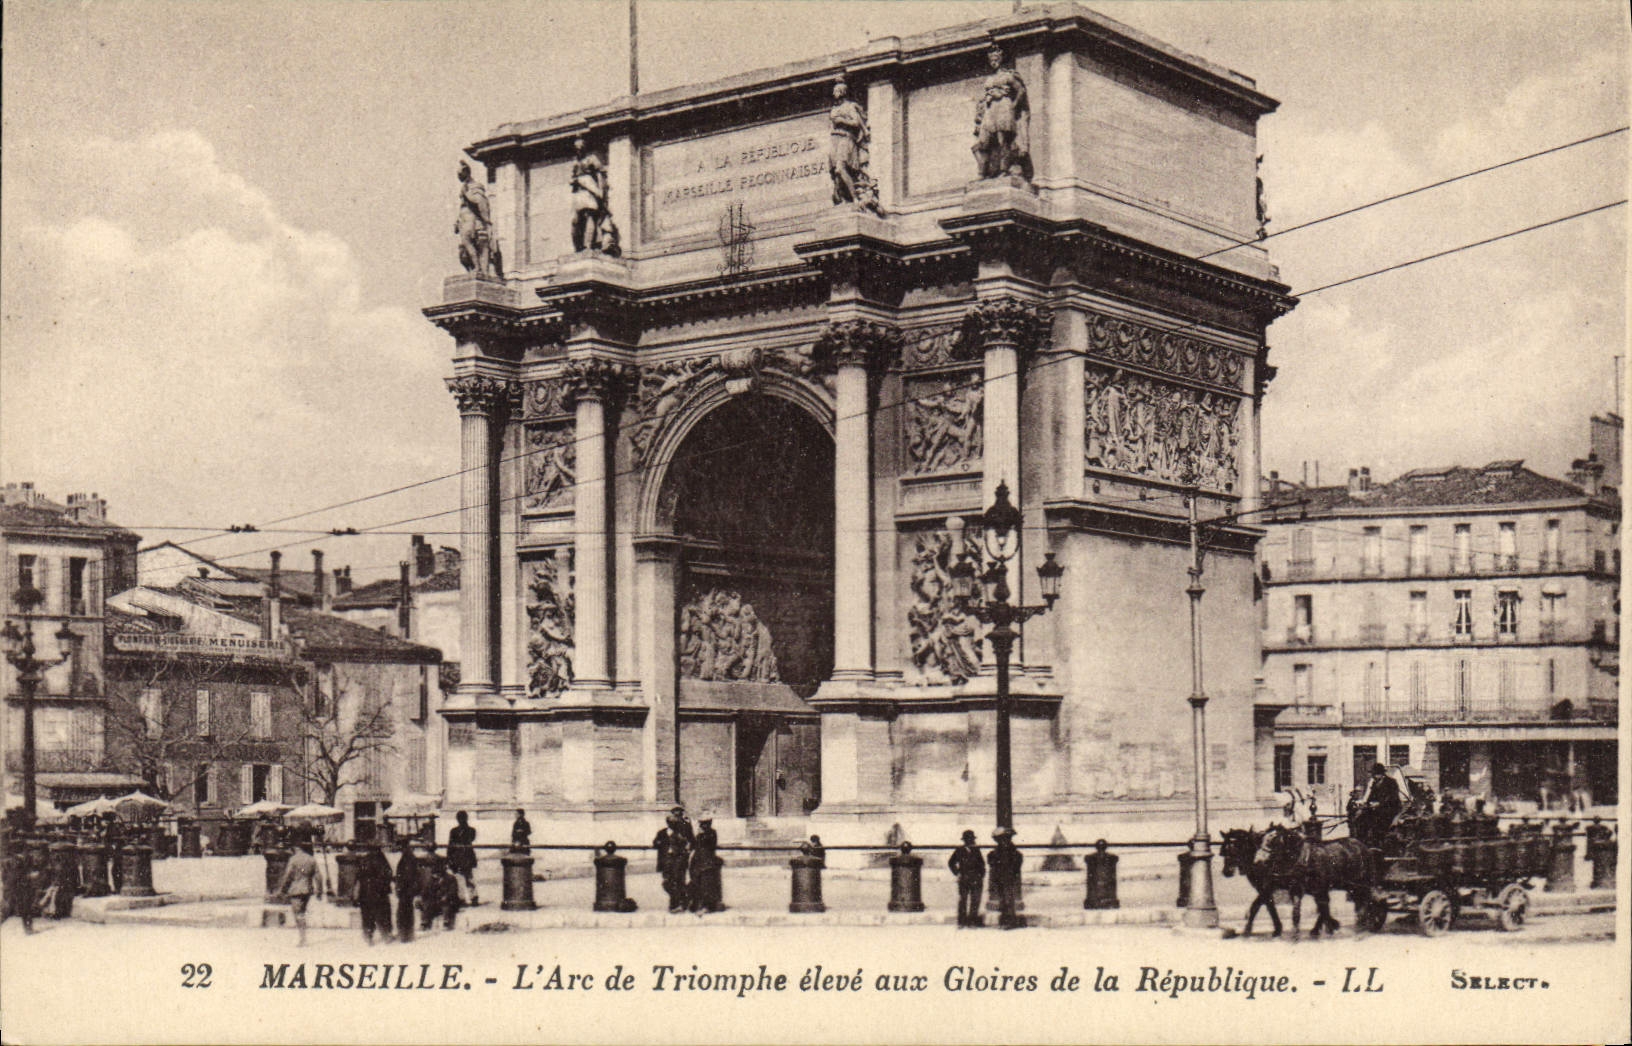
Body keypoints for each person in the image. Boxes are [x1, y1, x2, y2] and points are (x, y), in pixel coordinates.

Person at [971, 44, 1030, 180]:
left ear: (1001, 59)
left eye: (996, 59)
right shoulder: (989, 79)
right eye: (991, 60)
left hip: (1004, 106)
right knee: (984, 141)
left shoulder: (1009, 76)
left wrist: (1014, 105)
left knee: (1002, 138)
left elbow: (1021, 90)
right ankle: (984, 169)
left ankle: (1003, 169)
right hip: (991, 108)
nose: (993, 62)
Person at [277, 840, 328, 948]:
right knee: (302, 913)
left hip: (296, 890)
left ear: (295, 848)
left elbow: (288, 876)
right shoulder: (311, 859)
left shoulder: (293, 860)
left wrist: (282, 890)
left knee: (298, 914)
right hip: (307, 890)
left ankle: (303, 939)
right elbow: (318, 877)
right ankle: (303, 937)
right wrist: (319, 891)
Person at [570, 137, 609, 253]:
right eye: (577, 148)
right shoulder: (575, 162)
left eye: (581, 147)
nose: (579, 150)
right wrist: (573, 181)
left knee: (590, 215)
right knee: (576, 219)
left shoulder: (592, 159)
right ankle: (579, 246)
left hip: (590, 189)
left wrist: (601, 191)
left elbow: (600, 174)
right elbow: (572, 177)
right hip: (579, 191)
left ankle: (588, 244)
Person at [456, 161, 494, 275]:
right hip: (464, 220)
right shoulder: (465, 186)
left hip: (472, 220)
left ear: (466, 172)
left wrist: (466, 195)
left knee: (468, 241)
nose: (459, 177)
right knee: (465, 244)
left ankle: (478, 267)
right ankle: (477, 267)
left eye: (460, 174)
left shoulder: (475, 186)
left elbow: (479, 202)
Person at [654, 807, 692, 914]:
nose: (672, 824)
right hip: (667, 862)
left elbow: (689, 842)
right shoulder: (662, 833)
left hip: (678, 861)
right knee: (668, 883)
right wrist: (660, 844)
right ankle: (681, 901)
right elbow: (655, 843)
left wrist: (686, 851)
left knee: (678, 882)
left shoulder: (680, 833)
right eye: (670, 822)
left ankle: (676, 904)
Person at [1355, 763, 1402, 850]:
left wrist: (1379, 803)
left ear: (1381, 774)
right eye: (1373, 775)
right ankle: (1362, 842)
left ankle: (1378, 844)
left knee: (1378, 822)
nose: (1374, 777)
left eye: (1375, 774)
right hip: (1377, 808)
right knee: (1360, 818)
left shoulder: (1391, 782)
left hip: (1390, 808)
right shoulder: (1375, 783)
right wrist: (1366, 805)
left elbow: (1393, 798)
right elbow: (1371, 797)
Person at [356, 842, 394, 945]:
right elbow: (388, 873)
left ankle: (368, 936)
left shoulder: (364, 859)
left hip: (365, 892)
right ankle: (386, 935)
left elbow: (358, 876)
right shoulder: (382, 859)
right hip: (379, 892)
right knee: (383, 915)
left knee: (367, 915)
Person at [987, 828, 1024, 929]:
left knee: (1008, 899)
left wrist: (1012, 871)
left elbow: (1017, 862)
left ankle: (1010, 921)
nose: (1003, 841)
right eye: (1000, 839)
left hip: (1009, 877)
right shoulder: (997, 851)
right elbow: (992, 863)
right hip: (999, 878)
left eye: (1005, 839)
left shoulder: (1012, 851)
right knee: (1002, 899)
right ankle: (1004, 920)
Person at [948, 830, 985, 928]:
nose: (970, 841)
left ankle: (972, 921)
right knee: (963, 900)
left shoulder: (976, 850)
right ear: (964, 840)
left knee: (975, 900)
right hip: (964, 878)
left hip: (975, 879)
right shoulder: (959, 850)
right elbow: (951, 863)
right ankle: (962, 922)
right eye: (968, 839)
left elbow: (982, 864)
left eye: (971, 839)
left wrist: (981, 876)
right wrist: (957, 873)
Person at [688, 817, 723, 914]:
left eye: (705, 823)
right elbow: (694, 845)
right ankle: (697, 904)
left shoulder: (711, 833)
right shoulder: (700, 834)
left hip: (707, 861)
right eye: (701, 823)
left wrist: (701, 835)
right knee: (697, 882)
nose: (703, 825)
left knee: (706, 884)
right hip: (698, 860)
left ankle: (707, 905)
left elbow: (710, 844)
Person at [448, 811, 479, 906]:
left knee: (462, 878)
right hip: (466, 857)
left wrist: (449, 858)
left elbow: (450, 845)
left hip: (460, 857)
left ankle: (464, 898)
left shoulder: (455, 831)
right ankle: (472, 897)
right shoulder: (471, 830)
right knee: (468, 877)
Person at [393, 839, 421, 943]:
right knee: (406, 912)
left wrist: (400, 887)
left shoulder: (407, 858)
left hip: (406, 890)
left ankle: (404, 935)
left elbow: (407, 876)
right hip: (408, 889)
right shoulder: (409, 856)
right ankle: (406, 934)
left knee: (403, 912)